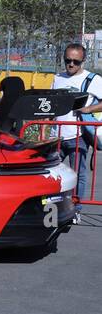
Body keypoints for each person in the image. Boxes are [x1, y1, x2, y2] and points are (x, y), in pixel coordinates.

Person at [52, 42, 102, 201]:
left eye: (76, 61)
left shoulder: (93, 79)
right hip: (56, 136)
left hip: (78, 136)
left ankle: (76, 208)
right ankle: (53, 208)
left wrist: (88, 110)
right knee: (52, 174)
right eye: (68, 60)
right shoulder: (57, 78)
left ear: (83, 61)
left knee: (77, 174)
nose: (71, 64)